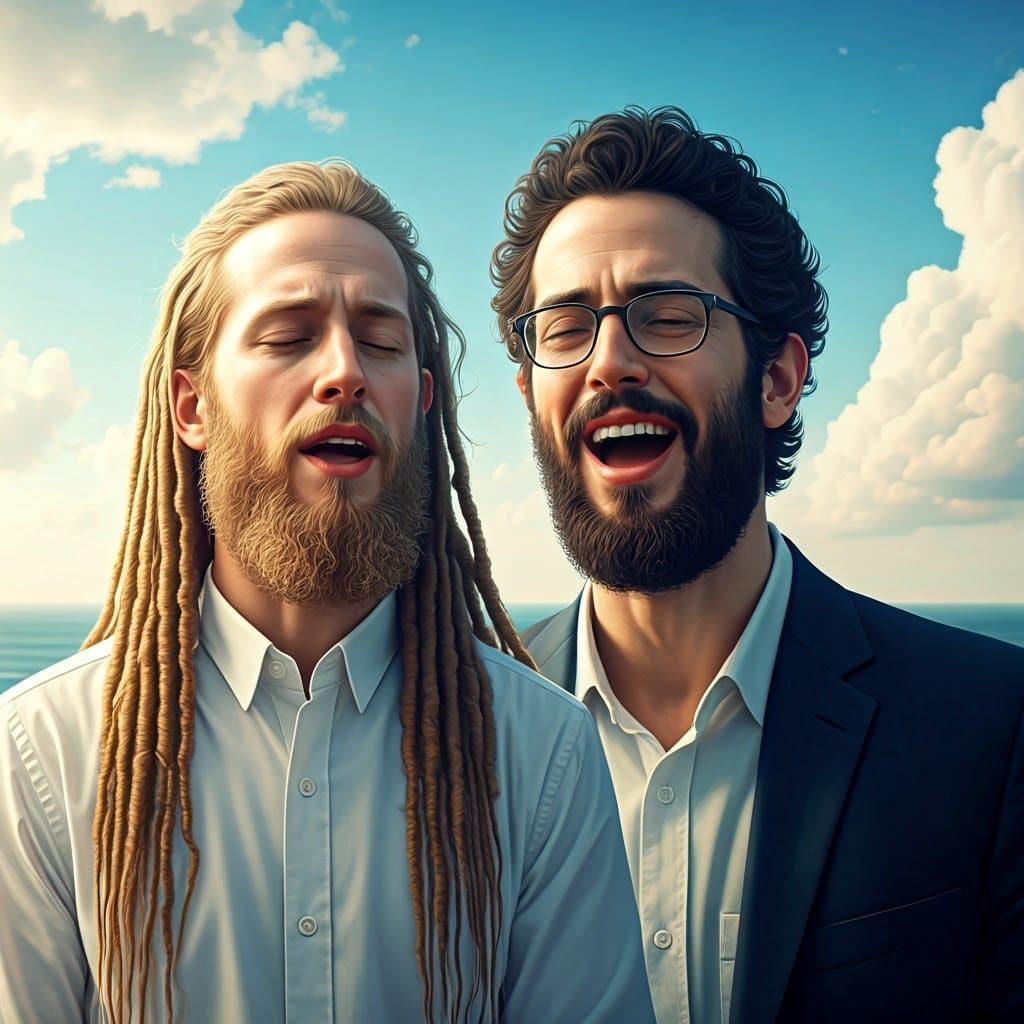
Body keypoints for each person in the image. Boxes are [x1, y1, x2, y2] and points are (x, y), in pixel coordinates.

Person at [0, 160, 655, 1024]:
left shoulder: (546, 756)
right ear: (190, 407)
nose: (345, 371)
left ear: (421, 404)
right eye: (289, 335)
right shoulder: (42, 756)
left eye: (381, 341)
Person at [491, 107, 1024, 1024]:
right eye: (567, 328)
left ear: (775, 380)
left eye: (667, 316)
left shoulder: (993, 727)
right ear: (531, 391)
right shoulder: (460, 737)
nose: (608, 360)